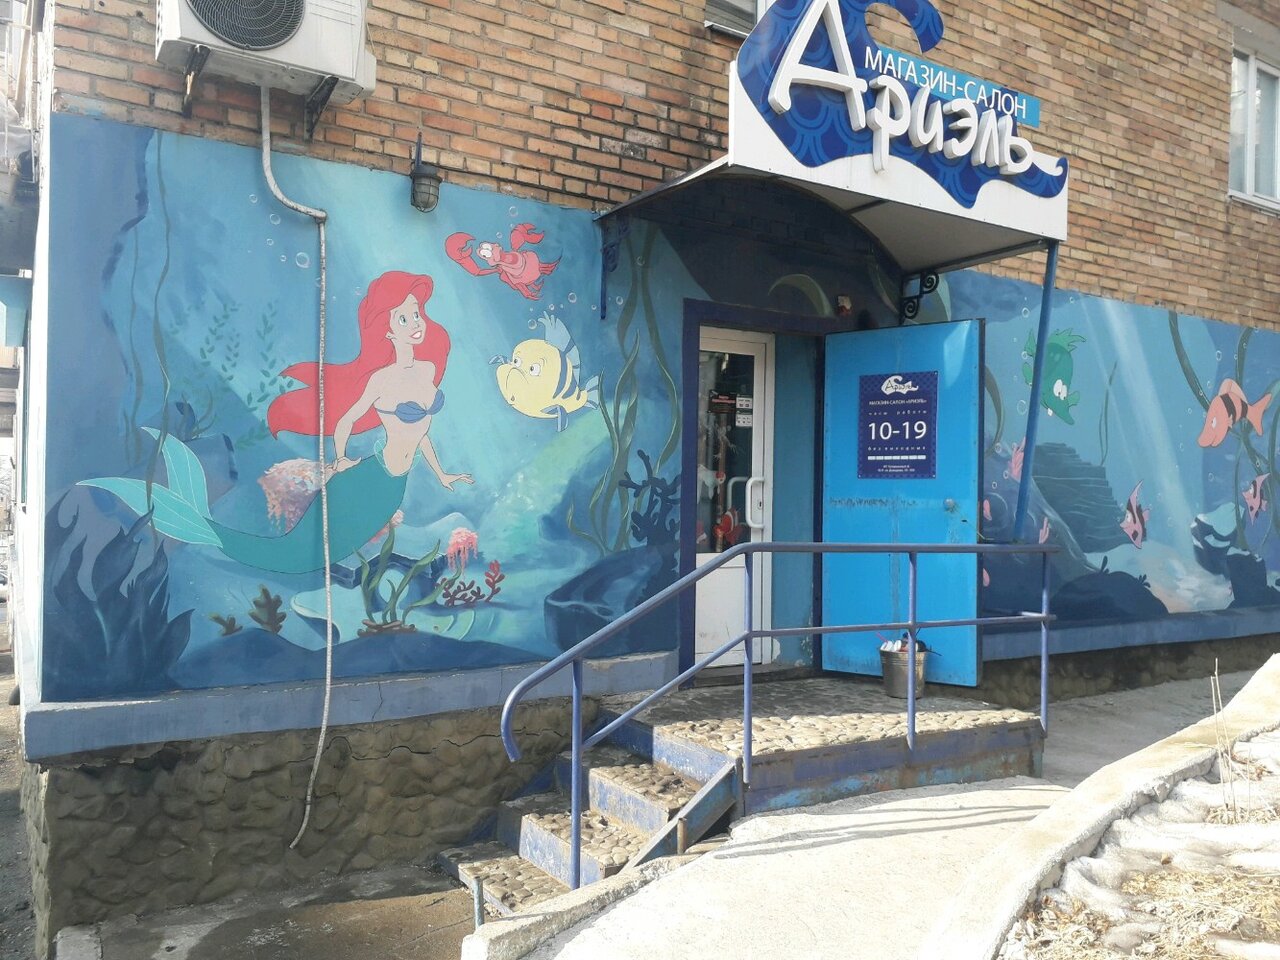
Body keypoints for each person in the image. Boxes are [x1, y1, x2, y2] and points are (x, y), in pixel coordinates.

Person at [81, 271, 472, 574]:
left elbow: (420, 432)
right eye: (404, 317)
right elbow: (347, 420)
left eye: (416, 313)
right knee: (295, 555)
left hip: (391, 489)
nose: (415, 322)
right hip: (366, 482)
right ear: (387, 329)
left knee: (316, 554)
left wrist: (443, 474)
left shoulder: (425, 372)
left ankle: (189, 519)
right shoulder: (381, 380)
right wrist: (340, 460)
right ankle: (182, 517)